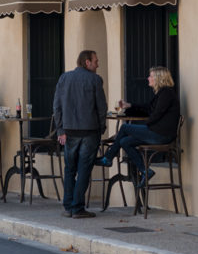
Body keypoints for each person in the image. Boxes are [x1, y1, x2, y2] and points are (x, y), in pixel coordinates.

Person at [96, 66, 180, 184]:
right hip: (157, 132)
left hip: (161, 135)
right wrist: (129, 105)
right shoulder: (162, 93)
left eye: (151, 76)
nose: (148, 78)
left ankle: (108, 158)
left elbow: (156, 114)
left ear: (159, 78)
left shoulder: (166, 93)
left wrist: (145, 126)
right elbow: (148, 108)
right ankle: (145, 171)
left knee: (125, 128)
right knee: (124, 142)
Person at [53, 49, 107, 218]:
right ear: (87, 62)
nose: (98, 64)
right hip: (89, 130)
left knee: (70, 168)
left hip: (69, 131)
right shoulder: (95, 80)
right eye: (96, 61)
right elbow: (101, 107)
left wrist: (60, 129)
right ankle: (77, 207)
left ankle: (68, 206)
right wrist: (101, 128)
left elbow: (57, 106)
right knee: (84, 169)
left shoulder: (64, 78)